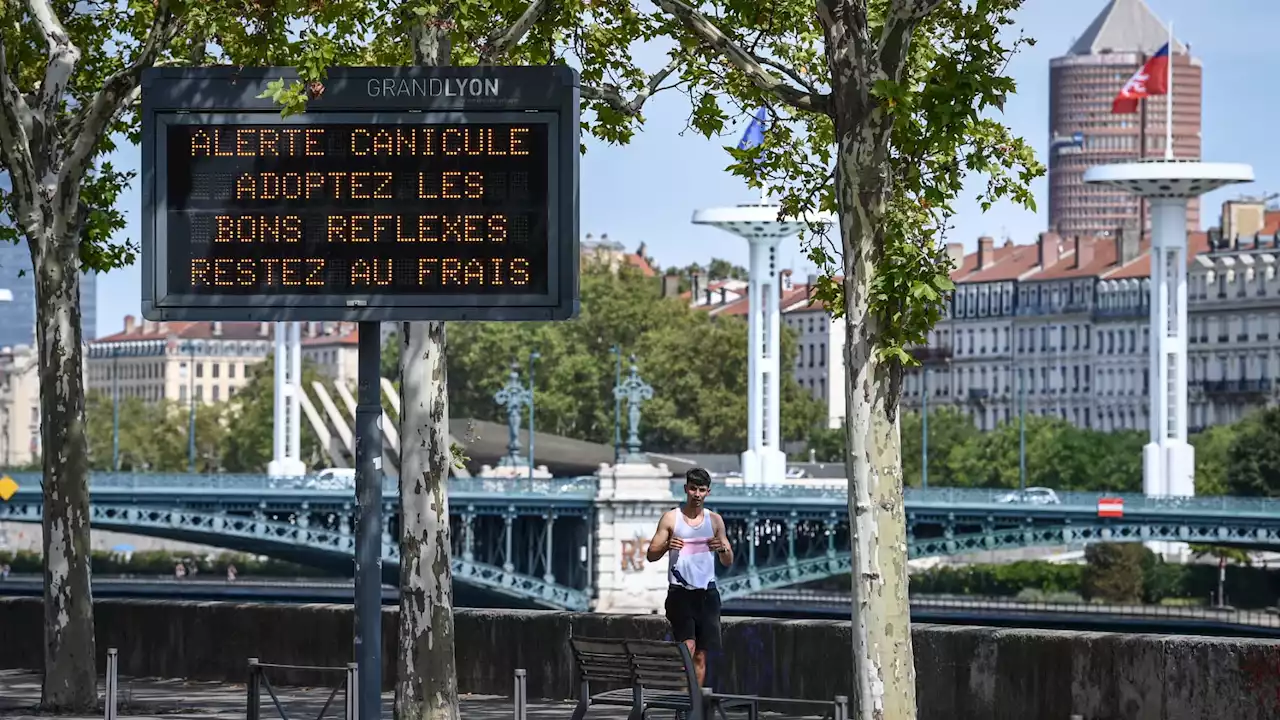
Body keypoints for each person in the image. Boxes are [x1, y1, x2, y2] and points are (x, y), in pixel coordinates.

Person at [646, 467, 733, 686]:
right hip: (680, 593)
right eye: (693, 489)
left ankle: (691, 707)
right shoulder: (671, 518)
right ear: (686, 489)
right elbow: (651, 555)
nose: (696, 494)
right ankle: (684, 699)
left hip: (707, 594)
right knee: (687, 649)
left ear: (707, 493)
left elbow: (728, 561)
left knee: (701, 656)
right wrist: (667, 545)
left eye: (701, 490)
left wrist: (721, 548)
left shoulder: (714, 521)